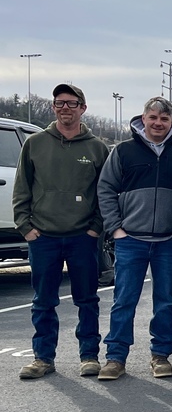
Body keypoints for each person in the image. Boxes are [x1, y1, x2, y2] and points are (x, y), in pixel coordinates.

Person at [14, 84, 109, 379]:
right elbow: (22, 187)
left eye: (71, 103)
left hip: (83, 236)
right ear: (53, 107)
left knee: (87, 299)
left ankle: (89, 356)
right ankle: (43, 358)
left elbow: (105, 193)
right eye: (59, 103)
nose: (65, 108)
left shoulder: (97, 147)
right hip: (43, 237)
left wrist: (96, 229)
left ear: (83, 107)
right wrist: (25, 226)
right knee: (43, 301)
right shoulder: (35, 143)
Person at [97, 97, 172, 381]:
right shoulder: (124, 151)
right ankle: (115, 357)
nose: (158, 123)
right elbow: (105, 189)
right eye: (153, 118)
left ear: (171, 121)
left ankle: (160, 355)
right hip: (131, 239)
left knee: (165, 300)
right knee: (124, 300)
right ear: (144, 118)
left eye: (164, 119)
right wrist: (115, 228)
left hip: (169, 241)